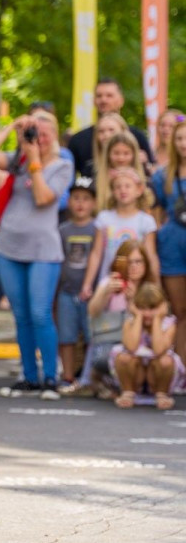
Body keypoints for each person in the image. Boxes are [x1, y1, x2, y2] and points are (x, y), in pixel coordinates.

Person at [0, 112, 72, 399]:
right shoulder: (16, 160)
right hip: (8, 247)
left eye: (43, 133)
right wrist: (12, 127)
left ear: (53, 134)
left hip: (43, 250)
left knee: (41, 313)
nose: (37, 138)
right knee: (21, 315)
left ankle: (51, 377)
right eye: (33, 132)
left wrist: (34, 159)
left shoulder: (62, 166)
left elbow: (43, 197)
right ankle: (29, 377)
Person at [76, 240, 156, 399]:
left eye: (138, 261)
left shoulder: (150, 287)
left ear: (145, 264)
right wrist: (106, 292)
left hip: (142, 342)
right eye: (129, 262)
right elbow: (92, 312)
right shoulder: (110, 282)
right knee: (104, 355)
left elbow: (155, 323)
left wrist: (134, 302)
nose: (133, 266)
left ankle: (122, 385)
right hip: (113, 341)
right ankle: (102, 381)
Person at [81, 167, 159, 300]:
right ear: (112, 191)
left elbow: (151, 255)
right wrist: (87, 284)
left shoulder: (146, 221)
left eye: (128, 186)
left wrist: (156, 285)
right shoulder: (104, 218)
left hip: (136, 285)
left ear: (139, 190)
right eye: (118, 187)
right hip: (110, 283)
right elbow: (96, 253)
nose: (123, 190)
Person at [112, 282, 182, 410]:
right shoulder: (130, 322)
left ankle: (161, 394)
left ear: (162, 306)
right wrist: (138, 316)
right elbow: (131, 347)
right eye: (143, 308)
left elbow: (159, 350)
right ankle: (128, 392)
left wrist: (157, 319)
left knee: (166, 361)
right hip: (136, 373)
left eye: (153, 308)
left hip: (155, 375)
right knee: (123, 357)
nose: (148, 313)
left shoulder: (169, 323)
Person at [151, 116, 186, 365]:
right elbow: (157, 212)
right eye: (180, 138)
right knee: (179, 312)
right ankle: (180, 368)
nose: (184, 143)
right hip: (172, 245)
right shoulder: (162, 176)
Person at [56, 176, 97, 385]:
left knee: (92, 336)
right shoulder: (62, 230)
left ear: (94, 203)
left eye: (86, 198)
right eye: (76, 198)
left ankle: (90, 376)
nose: (80, 203)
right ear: (69, 201)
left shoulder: (97, 229)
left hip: (92, 293)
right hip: (66, 290)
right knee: (66, 336)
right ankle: (68, 375)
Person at [67, 78, 153, 176]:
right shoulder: (78, 140)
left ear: (121, 100)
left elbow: (149, 173)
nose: (104, 100)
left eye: (109, 95)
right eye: (99, 96)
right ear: (94, 101)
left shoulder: (137, 137)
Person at [94, 130, 146, 212]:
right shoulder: (99, 180)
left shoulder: (140, 180)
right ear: (108, 154)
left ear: (134, 155)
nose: (121, 158)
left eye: (126, 153)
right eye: (116, 153)